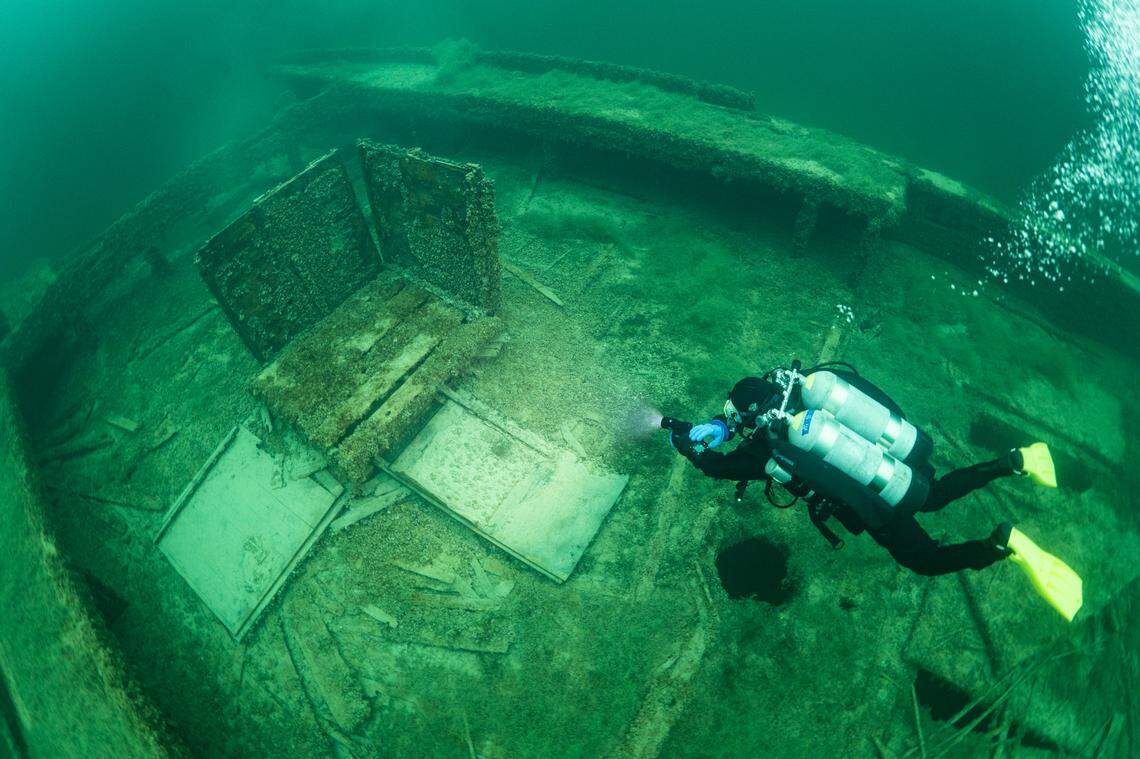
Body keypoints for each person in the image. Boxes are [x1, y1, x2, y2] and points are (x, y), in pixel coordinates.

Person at [667, 364, 1082, 620]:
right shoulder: (808, 387)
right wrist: (715, 428)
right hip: (894, 457)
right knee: (933, 494)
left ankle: (1002, 545)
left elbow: (719, 467)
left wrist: (690, 448)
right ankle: (1013, 462)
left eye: (735, 417)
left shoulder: (772, 447)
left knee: (926, 560)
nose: (733, 422)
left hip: (875, 502)